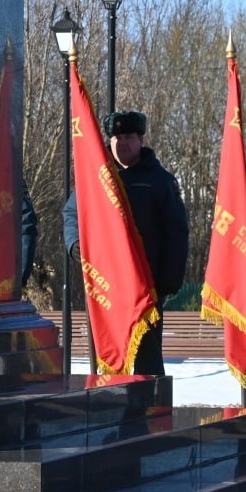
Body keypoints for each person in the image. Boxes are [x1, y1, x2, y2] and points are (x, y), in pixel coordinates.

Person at [63, 110, 190, 377]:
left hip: (146, 285)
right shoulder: (96, 177)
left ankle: (151, 411)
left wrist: (169, 280)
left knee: (147, 355)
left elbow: (176, 232)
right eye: (117, 137)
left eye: (130, 136)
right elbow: (72, 214)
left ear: (141, 140)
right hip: (105, 283)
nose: (123, 143)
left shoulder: (160, 180)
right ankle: (110, 408)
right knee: (108, 351)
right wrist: (76, 245)